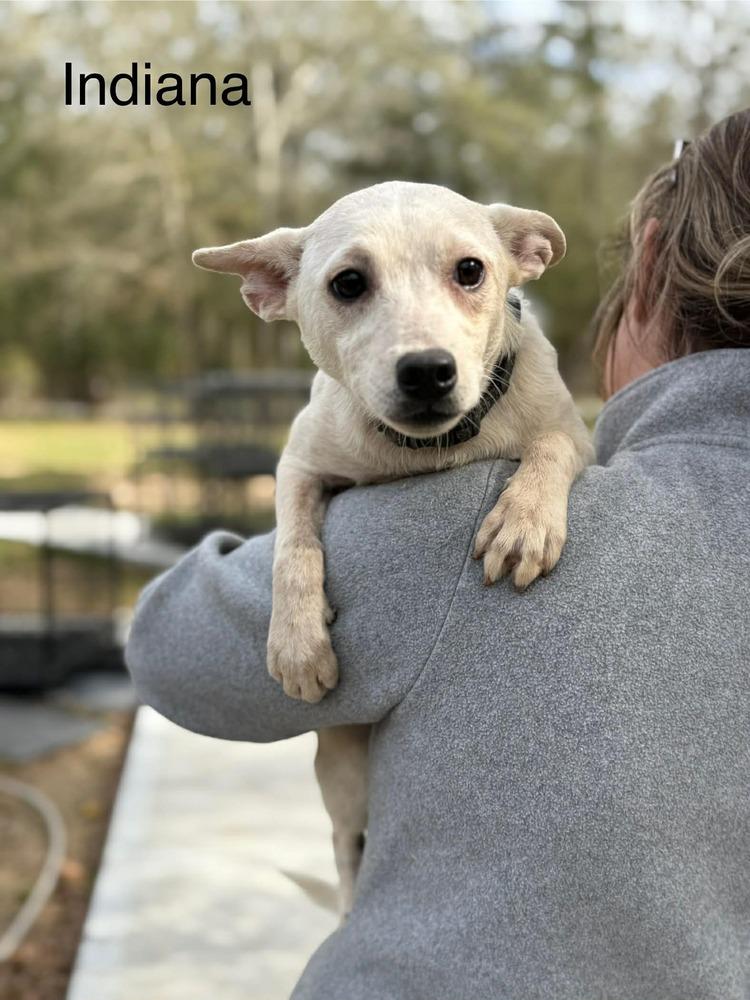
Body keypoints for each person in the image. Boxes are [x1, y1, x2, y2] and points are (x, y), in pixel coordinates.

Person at [126, 109, 750, 999]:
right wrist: (298, 571)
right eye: (351, 286)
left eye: (467, 276)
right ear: (271, 288)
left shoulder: (455, 536)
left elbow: (168, 651)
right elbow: (307, 464)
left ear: (640, 266)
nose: (422, 344)